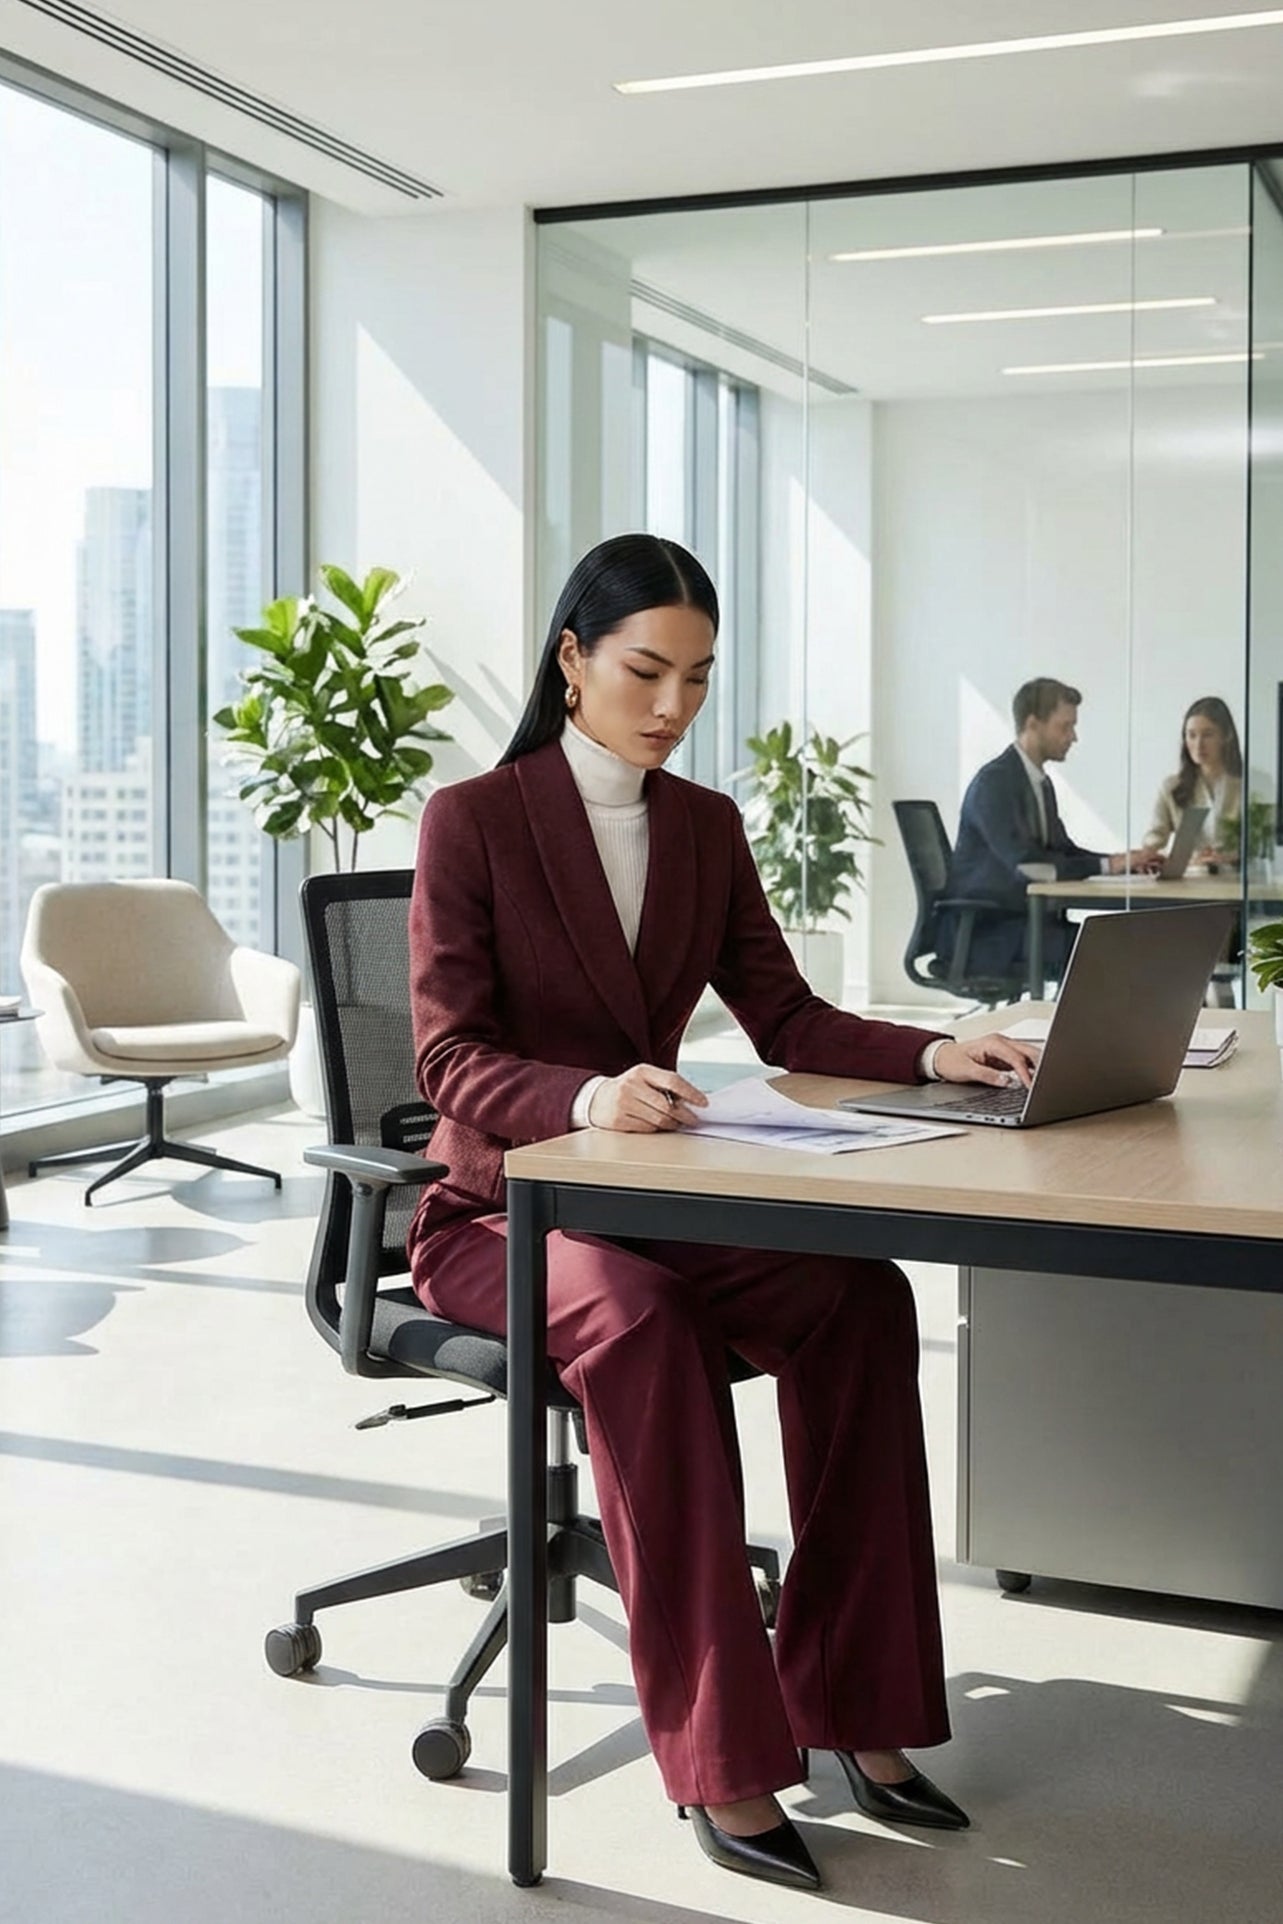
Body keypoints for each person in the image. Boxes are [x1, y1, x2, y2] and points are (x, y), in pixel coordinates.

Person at [406, 533, 1036, 1894]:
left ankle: (857, 1706)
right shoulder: (474, 820)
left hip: (647, 1202)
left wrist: (935, 1052)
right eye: (644, 670)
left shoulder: (702, 828)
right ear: (569, 659)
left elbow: (788, 1012)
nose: (671, 705)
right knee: (639, 1322)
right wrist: (583, 1097)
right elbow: (445, 1060)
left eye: (694, 680)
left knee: (857, 1296)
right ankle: (720, 1757)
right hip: (496, 1218)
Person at [940, 676, 1158, 985]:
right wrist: (1109, 865)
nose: (1073, 737)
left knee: (1125, 942)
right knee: (1114, 949)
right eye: (1064, 726)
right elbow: (1031, 867)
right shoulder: (995, 783)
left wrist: (1121, 861)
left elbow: (1061, 851)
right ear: (1033, 725)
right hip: (990, 934)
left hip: (1024, 925)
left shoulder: (1039, 783)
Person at [1143, 696, 1243, 862]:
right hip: (1190, 878)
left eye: (1208, 735)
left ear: (1226, 736)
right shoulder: (1172, 786)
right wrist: (1147, 853)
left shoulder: (1249, 784)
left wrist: (1229, 856)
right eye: (1191, 735)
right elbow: (1155, 836)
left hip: (1238, 880)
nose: (1198, 744)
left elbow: (1263, 844)